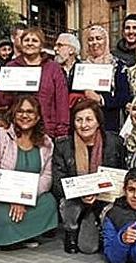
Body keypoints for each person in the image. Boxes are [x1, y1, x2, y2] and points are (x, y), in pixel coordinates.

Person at [0, 95, 58, 250]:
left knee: (49, 202)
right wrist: (13, 198)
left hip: (27, 197)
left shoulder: (46, 142)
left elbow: (47, 177)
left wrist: (24, 198)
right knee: (4, 217)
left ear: (37, 117)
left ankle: (22, 237)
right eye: (20, 111)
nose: (25, 116)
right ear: (13, 114)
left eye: (30, 112)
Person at [52, 99, 125, 254]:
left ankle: (96, 224)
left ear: (98, 121)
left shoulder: (114, 142)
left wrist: (98, 193)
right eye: (79, 120)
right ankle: (71, 230)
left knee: (88, 248)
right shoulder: (63, 145)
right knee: (67, 205)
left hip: (103, 198)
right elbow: (58, 183)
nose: (84, 125)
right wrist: (81, 194)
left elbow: (120, 174)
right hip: (75, 200)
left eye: (89, 119)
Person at [0, 27, 69, 138]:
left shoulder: (53, 68)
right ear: (21, 43)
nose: (30, 43)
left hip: (46, 128)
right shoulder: (11, 66)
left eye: (34, 40)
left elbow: (61, 100)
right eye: (26, 40)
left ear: (41, 45)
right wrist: (10, 88)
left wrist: (62, 129)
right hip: (17, 128)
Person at [79, 24, 132, 132]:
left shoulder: (118, 66)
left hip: (110, 122)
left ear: (106, 41)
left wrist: (101, 99)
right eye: (90, 39)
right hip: (84, 124)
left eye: (99, 38)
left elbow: (124, 96)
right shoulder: (81, 67)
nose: (94, 43)